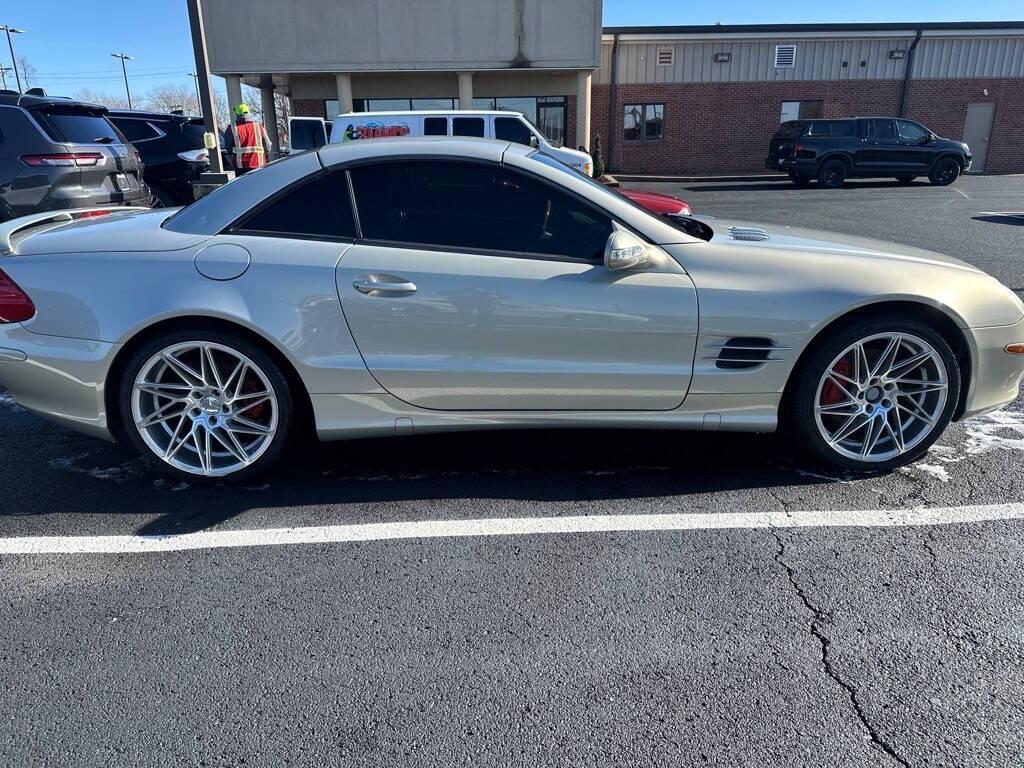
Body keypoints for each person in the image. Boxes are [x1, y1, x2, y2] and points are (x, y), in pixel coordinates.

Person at [223, 103, 273, 174]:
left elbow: (228, 149)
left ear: (237, 114)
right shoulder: (259, 127)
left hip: (240, 167)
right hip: (259, 165)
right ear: (249, 113)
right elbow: (268, 147)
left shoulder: (231, 129)